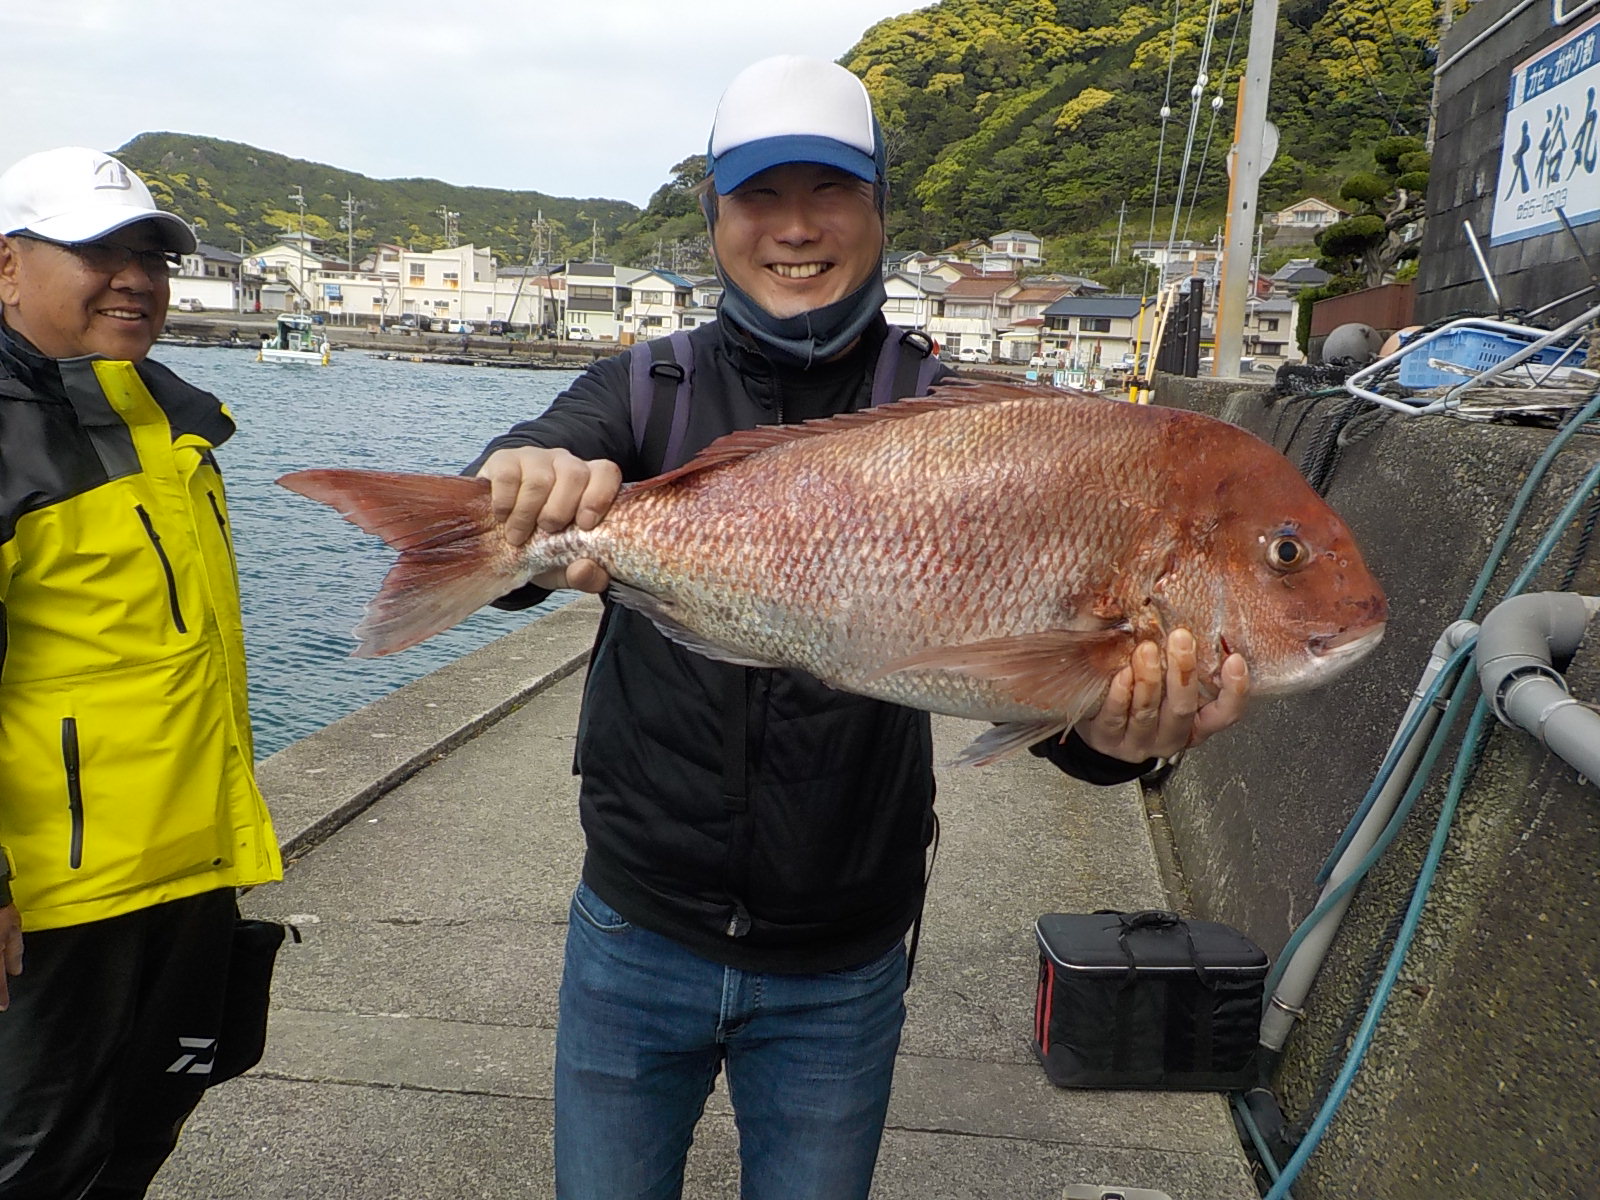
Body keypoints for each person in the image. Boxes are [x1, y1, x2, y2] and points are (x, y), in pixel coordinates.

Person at [472, 57, 1250, 1199]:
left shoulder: (971, 421)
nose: (795, 228)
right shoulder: (644, 393)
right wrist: (515, 481)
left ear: (879, 211)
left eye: (828, 193)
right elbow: (508, 555)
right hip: (636, 924)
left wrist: (1116, 735)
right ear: (715, 220)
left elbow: (1034, 652)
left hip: (845, 956)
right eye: (758, 198)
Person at [0, 147, 282, 1199]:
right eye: (96, 250)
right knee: (34, 1164)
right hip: (51, 906)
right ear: (8, 268)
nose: (134, 277)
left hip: (183, 874)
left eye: (150, 254)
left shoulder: (168, 421)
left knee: (138, 1138)